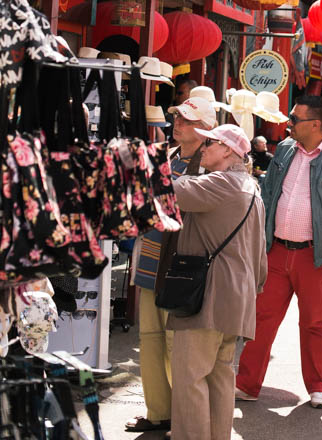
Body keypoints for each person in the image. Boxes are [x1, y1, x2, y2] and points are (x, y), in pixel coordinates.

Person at [236, 94, 322, 409]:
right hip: (276, 250)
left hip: (315, 255)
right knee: (261, 318)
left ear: (316, 124)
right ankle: (247, 384)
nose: (288, 123)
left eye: (294, 119)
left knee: (315, 323)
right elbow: (267, 195)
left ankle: (319, 387)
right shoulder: (284, 150)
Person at [169, 124, 267, 440]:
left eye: (210, 142)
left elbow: (170, 191)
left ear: (228, 150)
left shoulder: (220, 183)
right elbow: (260, 258)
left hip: (208, 295)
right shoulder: (251, 188)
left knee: (191, 378)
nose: (203, 146)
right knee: (220, 377)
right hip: (237, 298)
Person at [126, 95, 216, 434]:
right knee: (149, 340)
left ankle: (183, 416)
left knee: (177, 345)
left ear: (206, 129)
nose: (177, 123)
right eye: (177, 117)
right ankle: (158, 411)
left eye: (186, 120)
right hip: (151, 258)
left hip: (181, 267)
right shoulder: (165, 156)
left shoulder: (209, 165)